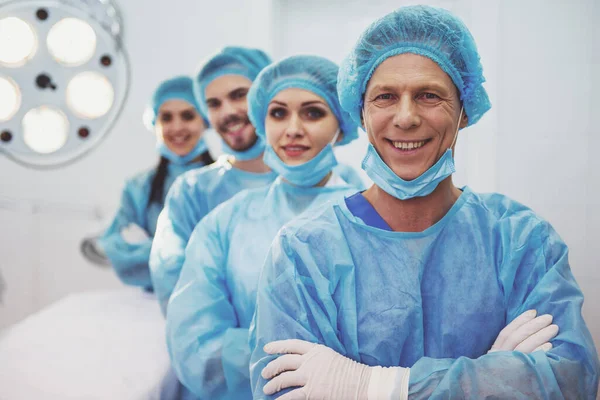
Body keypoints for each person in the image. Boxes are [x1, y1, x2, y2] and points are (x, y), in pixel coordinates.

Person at [249, 6, 599, 399]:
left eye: (429, 95)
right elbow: (281, 390)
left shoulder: (520, 241)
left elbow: (569, 381)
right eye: (384, 97)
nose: (406, 117)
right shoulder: (302, 253)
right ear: (361, 114)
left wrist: (374, 386)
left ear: (465, 110)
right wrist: (490, 378)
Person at [165, 55, 364, 399]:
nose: (293, 129)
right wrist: (293, 367)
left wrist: (335, 374)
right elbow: (194, 342)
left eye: (313, 112)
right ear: (262, 121)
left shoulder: (370, 217)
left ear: (341, 124)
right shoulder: (226, 221)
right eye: (278, 113)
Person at [149, 47, 278, 315]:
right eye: (214, 103)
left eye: (239, 95)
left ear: (267, 95)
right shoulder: (191, 192)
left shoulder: (322, 184)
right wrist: (233, 349)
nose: (227, 112)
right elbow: (178, 292)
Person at [99, 76, 213, 290]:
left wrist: (156, 251)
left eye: (188, 116)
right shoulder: (138, 188)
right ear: (154, 123)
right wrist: (193, 252)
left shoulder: (225, 182)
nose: (177, 127)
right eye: (167, 118)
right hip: (150, 304)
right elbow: (120, 252)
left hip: (216, 302)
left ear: (205, 120)